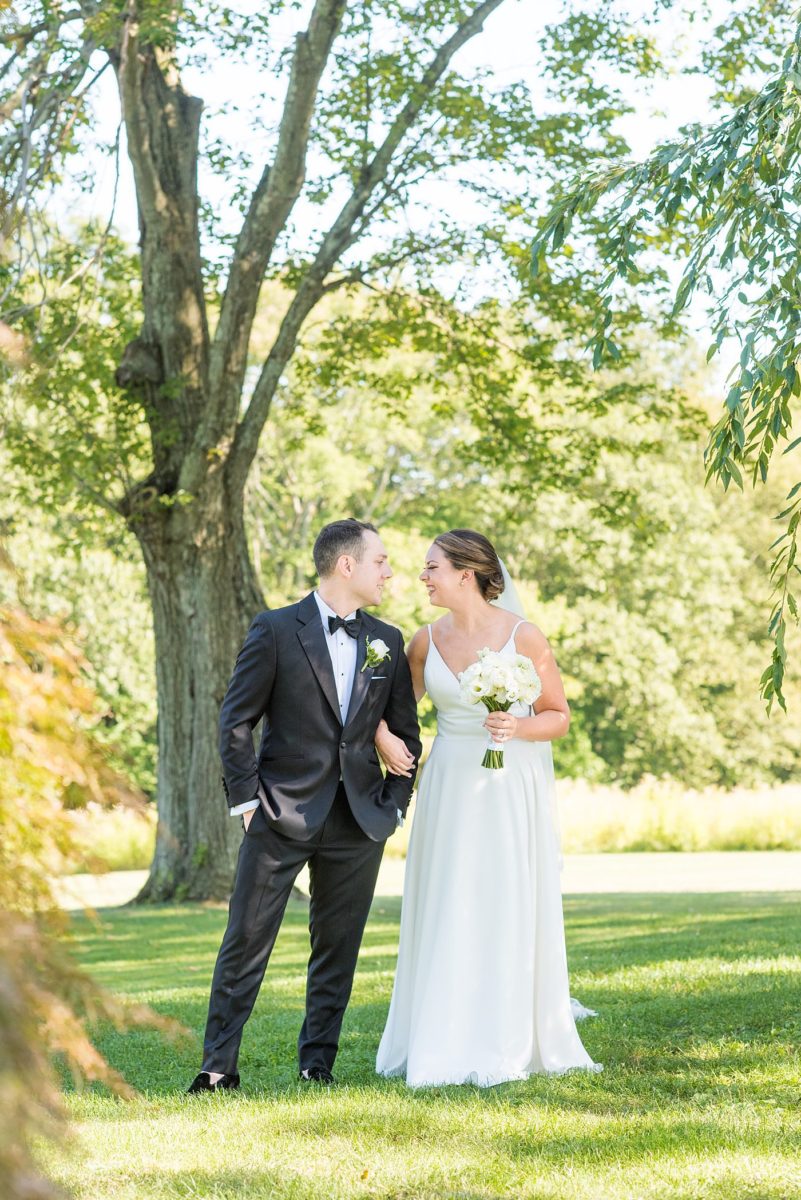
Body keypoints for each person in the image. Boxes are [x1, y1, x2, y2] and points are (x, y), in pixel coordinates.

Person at [188, 518, 421, 1093]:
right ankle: (218, 1067)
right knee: (245, 941)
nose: (389, 573)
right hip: (279, 812)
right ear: (347, 565)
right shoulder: (273, 629)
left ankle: (317, 1064)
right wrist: (246, 800)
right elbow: (236, 720)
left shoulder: (386, 641)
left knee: (337, 950)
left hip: (359, 819)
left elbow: (407, 735)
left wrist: (392, 807)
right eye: (380, 562)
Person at [374, 529, 600, 1087]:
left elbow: (558, 715)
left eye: (431, 568)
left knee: (504, 894)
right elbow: (382, 707)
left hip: (508, 782)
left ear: (466, 574)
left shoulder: (524, 637)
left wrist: (519, 726)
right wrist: (382, 735)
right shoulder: (423, 642)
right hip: (450, 782)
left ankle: (509, 1029)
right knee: (450, 893)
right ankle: (442, 1028)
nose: (422, 578)